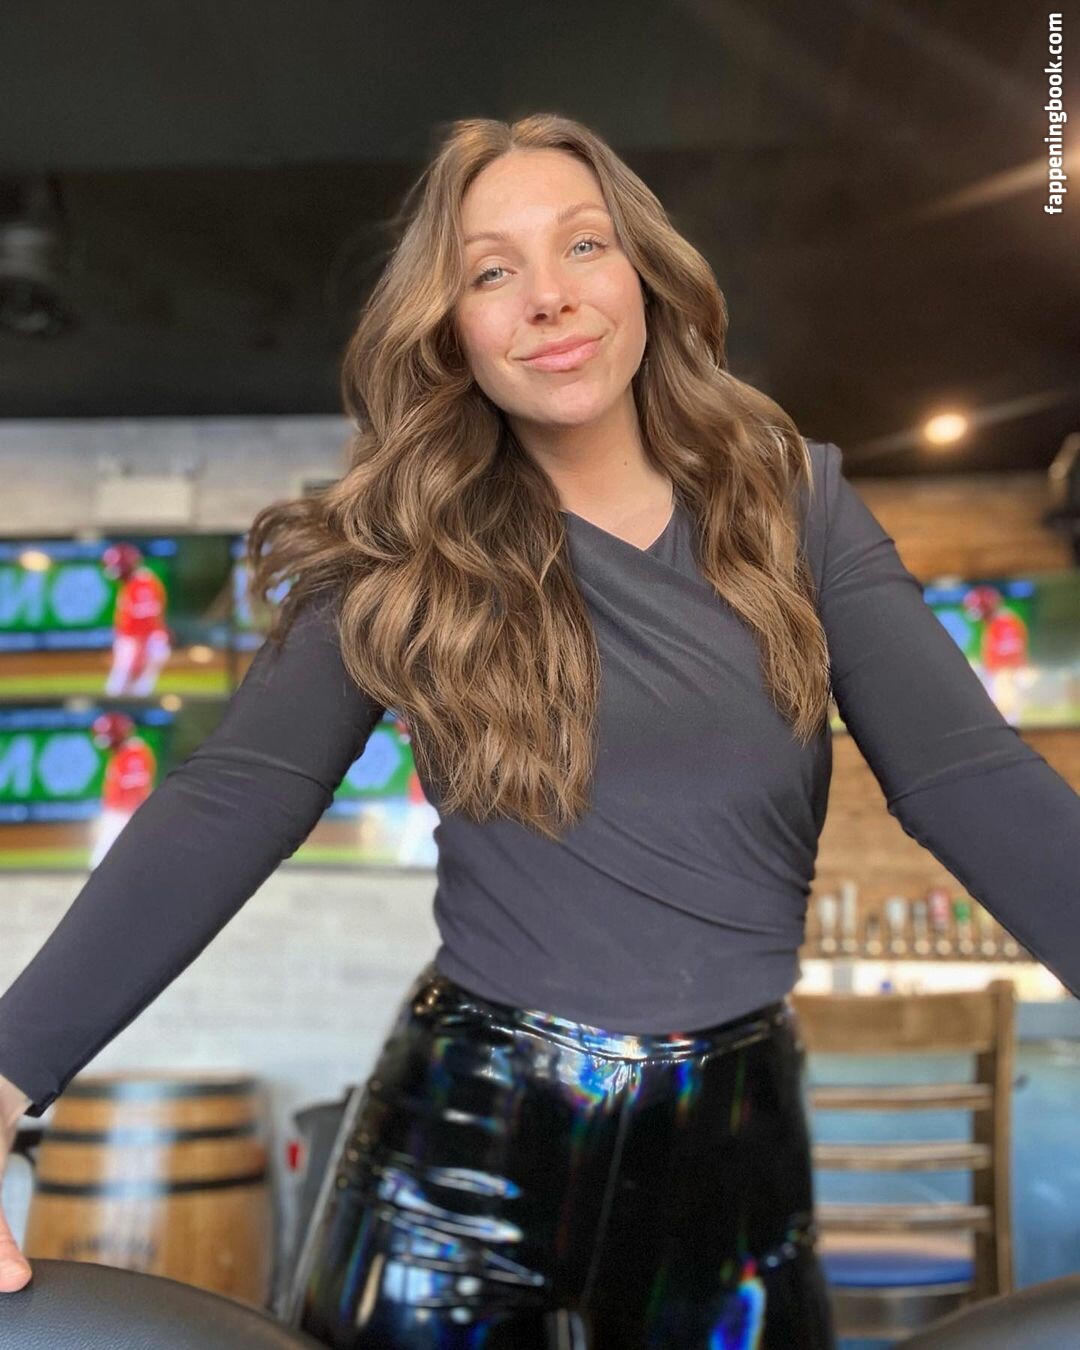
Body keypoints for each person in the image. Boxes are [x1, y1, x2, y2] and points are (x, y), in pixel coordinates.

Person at [2, 113, 1079, 1347]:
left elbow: (967, 776)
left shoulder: (796, 503)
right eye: (491, 271)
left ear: (644, 275)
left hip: (730, 1143)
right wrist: (6, 1071)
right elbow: (236, 795)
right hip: (462, 1143)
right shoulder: (404, 544)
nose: (549, 297)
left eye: (584, 245)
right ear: (452, 328)